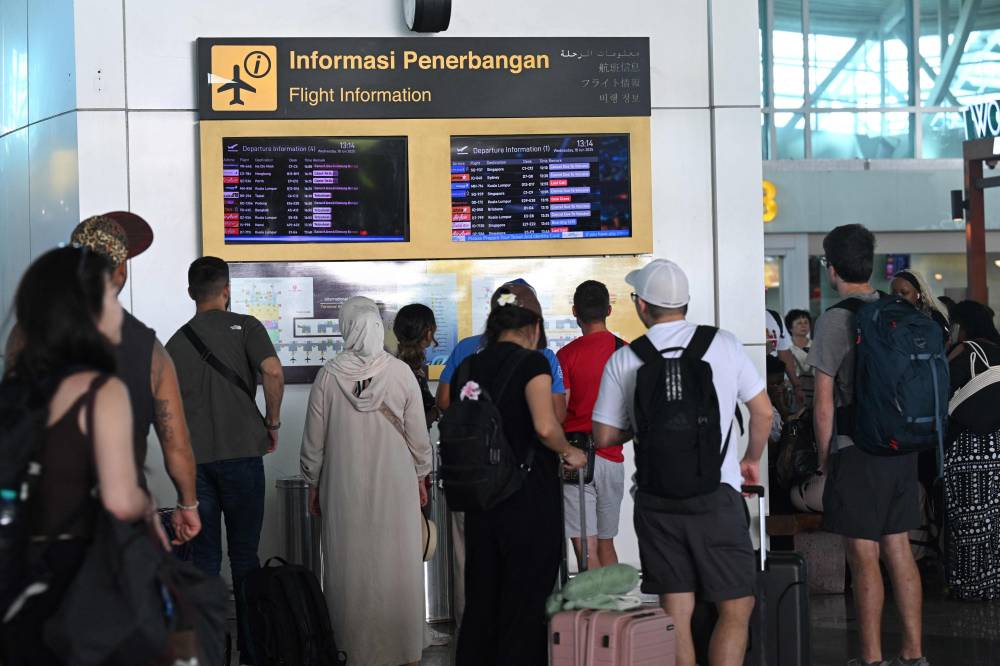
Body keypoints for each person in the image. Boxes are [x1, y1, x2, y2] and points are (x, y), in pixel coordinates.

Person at [592, 259, 772, 666]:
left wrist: (641, 428)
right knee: (735, 607)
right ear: (686, 303)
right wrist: (750, 459)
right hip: (717, 496)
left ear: (642, 306)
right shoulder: (723, 344)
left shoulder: (626, 358)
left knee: (676, 612)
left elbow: (603, 437)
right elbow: (762, 413)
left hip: (656, 502)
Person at [0, 247, 157, 665]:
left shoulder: (14, 387)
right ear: (85, 310)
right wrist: (150, 505)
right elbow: (120, 501)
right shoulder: (100, 390)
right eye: (109, 298)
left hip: (16, 576)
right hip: (78, 580)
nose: (117, 311)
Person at [4, 213, 200, 545]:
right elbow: (176, 446)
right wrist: (186, 504)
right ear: (121, 272)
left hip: (32, 526)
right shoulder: (150, 352)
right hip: (112, 541)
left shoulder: (25, 335)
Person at [809, 224, 928, 666]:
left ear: (832, 268)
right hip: (901, 448)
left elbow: (824, 402)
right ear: (871, 264)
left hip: (857, 448)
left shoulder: (836, 318)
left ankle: (871, 658)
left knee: (863, 556)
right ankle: (914, 654)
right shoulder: (897, 310)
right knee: (899, 548)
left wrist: (826, 460)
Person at [450, 288, 586, 666]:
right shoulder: (534, 364)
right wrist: (568, 451)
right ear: (534, 327)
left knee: (483, 599)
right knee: (525, 600)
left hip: (481, 497)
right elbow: (545, 425)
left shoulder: (468, 368)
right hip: (527, 496)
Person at [165, 257, 285, 666]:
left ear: (189, 293)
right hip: (242, 457)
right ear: (227, 289)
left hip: (195, 466)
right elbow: (272, 372)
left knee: (204, 561)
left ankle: (209, 655)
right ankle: (254, 651)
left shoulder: (176, 342)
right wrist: (272, 421)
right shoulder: (247, 327)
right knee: (245, 557)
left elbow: (164, 408)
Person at [301, 297, 432, 666]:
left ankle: (352, 649)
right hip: (397, 486)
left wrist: (313, 482)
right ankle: (403, 650)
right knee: (397, 564)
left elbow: (314, 441)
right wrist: (421, 475)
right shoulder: (401, 373)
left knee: (350, 566)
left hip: (343, 488)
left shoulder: (328, 376)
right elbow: (418, 438)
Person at [434, 278, 566, 628]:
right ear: (533, 324)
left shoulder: (466, 352)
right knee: (526, 581)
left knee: (476, 574)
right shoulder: (540, 359)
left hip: (475, 481)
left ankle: (469, 633)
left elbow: (444, 402)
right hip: (526, 482)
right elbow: (553, 419)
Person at [557, 280, 626, 571]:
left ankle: (594, 615)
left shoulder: (566, 356)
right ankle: (614, 613)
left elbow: (560, 411)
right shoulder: (625, 351)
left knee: (586, 549)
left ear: (575, 312)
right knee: (607, 543)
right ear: (609, 310)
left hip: (577, 459)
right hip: (612, 457)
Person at [943, 300, 1000, 600]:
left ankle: (971, 585)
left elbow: (941, 392)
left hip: (970, 446)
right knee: (995, 520)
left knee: (969, 519)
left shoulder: (966, 351)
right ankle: (995, 583)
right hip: (997, 444)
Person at [393, 303, 441, 430]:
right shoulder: (412, 372)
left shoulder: (394, 365)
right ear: (429, 334)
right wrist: (437, 410)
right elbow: (417, 423)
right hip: (412, 447)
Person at [891, 269, 950, 335]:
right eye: (894, 294)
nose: (898, 297)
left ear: (918, 294)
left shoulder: (934, 317)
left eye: (904, 293)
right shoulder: (887, 316)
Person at [766, 308, 805, 407]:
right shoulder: (736, 314)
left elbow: (784, 352)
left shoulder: (774, 316)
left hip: (775, 384)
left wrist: (796, 386)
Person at [784, 309, 814, 408]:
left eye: (806, 322)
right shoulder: (785, 349)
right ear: (790, 327)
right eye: (799, 323)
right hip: (793, 397)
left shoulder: (817, 346)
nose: (803, 325)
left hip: (815, 395)